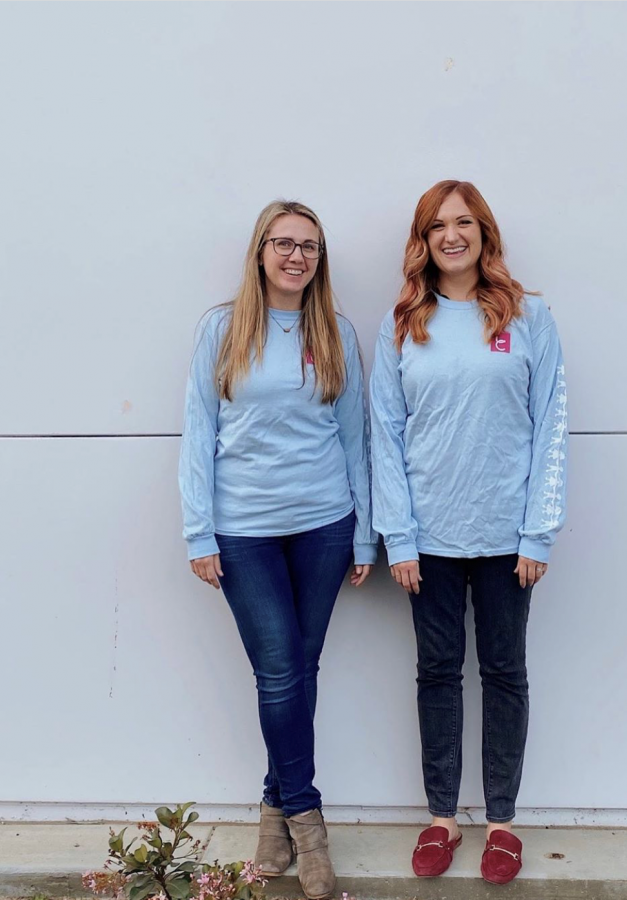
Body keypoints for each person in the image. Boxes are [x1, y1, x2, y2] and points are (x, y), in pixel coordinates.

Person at [370, 180, 567, 885]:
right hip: (430, 541)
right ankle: (442, 817)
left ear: (484, 232)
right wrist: (397, 535)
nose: (451, 236)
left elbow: (551, 427)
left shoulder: (529, 317)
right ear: (422, 242)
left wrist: (538, 531)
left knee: (505, 672)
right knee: (437, 674)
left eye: (463, 223)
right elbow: (383, 436)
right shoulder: (404, 323)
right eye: (436, 227)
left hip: (508, 538)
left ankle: (503, 823)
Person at [179, 200, 377, 900]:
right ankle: (308, 821)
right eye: (285, 243)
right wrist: (199, 532)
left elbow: (355, 438)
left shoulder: (336, 332)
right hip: (244, 532)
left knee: (298, 668)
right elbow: (197, 436)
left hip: (324, 525)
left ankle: (273, 809)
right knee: (281, 672)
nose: (297, 256)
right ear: (260, 250)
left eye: (311, 247)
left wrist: (365, 529)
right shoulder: (222, 329)